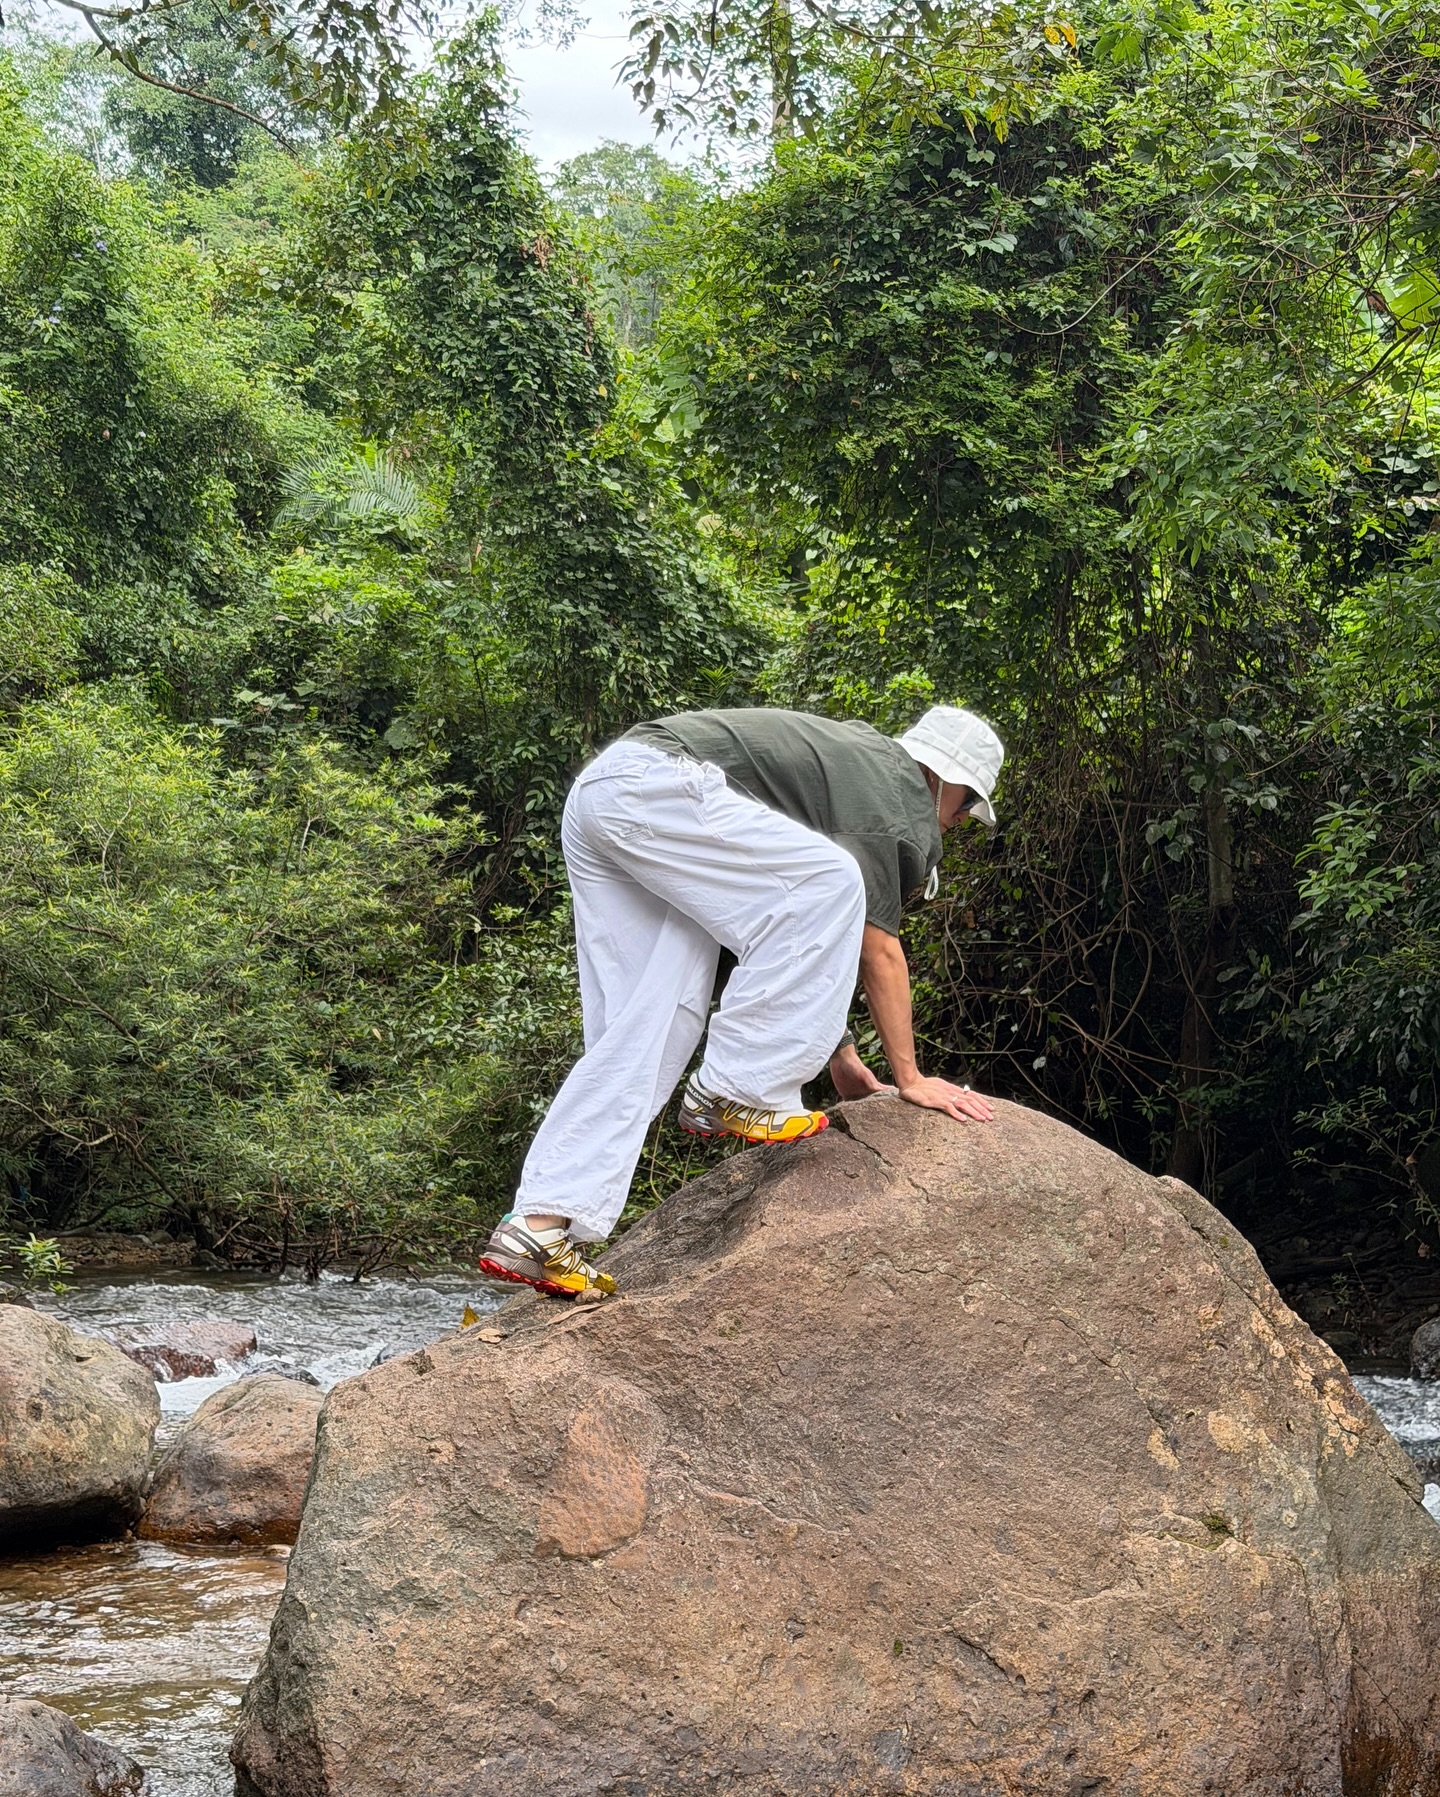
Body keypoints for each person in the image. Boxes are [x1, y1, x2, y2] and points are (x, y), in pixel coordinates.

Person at [477, 704, 1004, 1300]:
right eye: (966, 804)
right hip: (656, 786)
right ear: (942, 778)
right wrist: (910, 1078)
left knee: (654, 1020)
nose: (960, 821)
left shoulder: (854, 776)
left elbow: (785, 939)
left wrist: (841, 1057)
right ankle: (737, 1090)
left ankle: (539, 1225)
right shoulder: (896, 798)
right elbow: (876, 949)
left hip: (609, 797)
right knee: (833, 880)